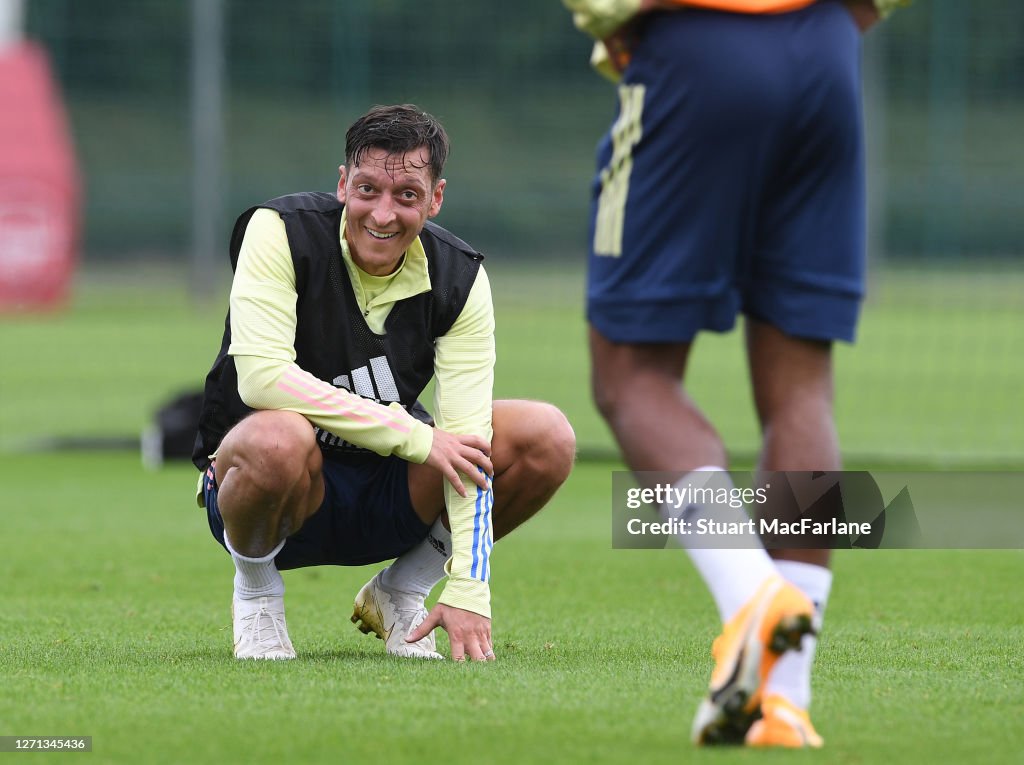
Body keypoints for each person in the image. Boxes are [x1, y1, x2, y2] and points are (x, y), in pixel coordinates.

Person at [564, 0, 907, 749]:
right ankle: (783, 702)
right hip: (827, 51)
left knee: (629, 375)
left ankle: (752, 594)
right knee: (803, 388)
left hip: (693, 51)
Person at [192, 104, 575, 664]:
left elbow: (469, 441)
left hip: (392, 493)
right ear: (344, 183)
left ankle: (401, 592)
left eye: (407, 196)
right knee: (274, 438)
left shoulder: (460, 277)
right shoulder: (277, 232)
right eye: (368, 189)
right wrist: (416, 436)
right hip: (278, 495)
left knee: (546, 436)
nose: (383, 214)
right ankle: (256, 596)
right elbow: (262, 378)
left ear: (436, 198)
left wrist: (469, 587)